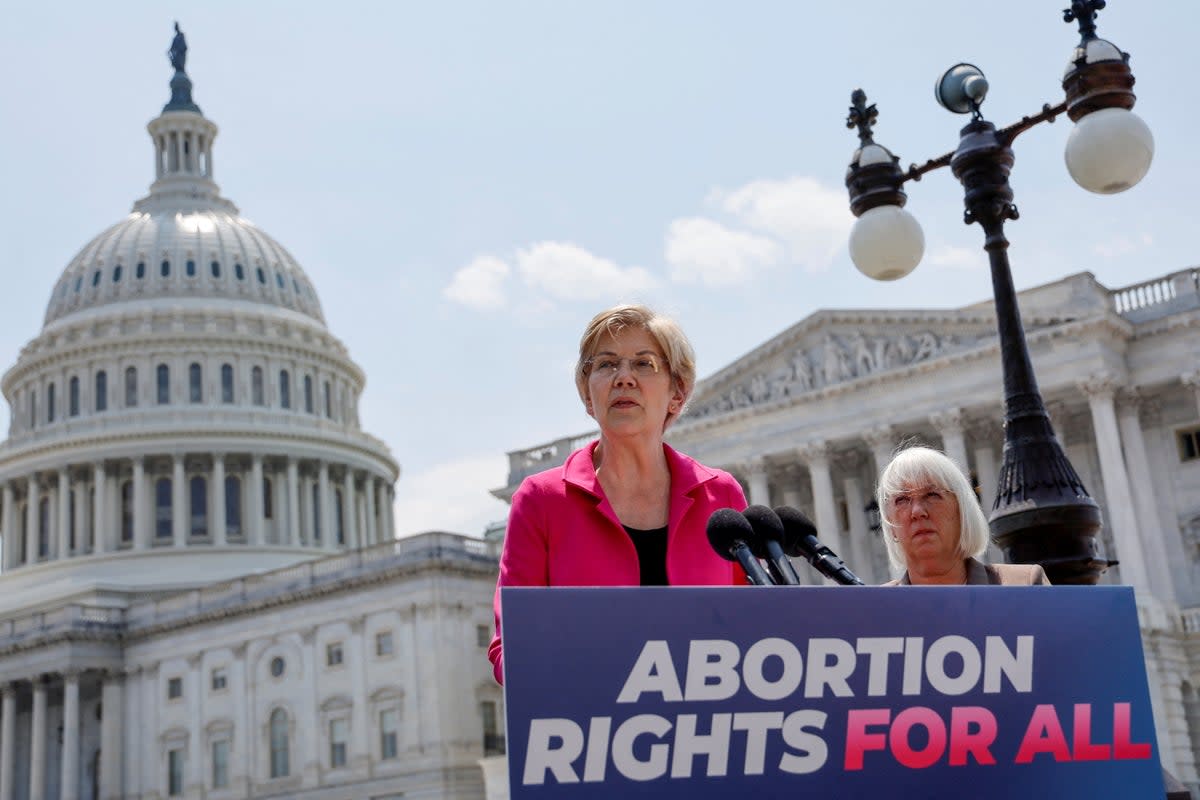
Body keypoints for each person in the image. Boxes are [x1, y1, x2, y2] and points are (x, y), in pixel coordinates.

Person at [488, 304, 748, 684]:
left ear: (677, 393)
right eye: (606, 365)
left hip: (706, 732)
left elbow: (754, 630)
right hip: (588, 729)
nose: (624, 377)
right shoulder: (541, 500)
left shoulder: (719, 495)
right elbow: (507, 651)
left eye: (644, 364)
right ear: (587, 394)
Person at [876, 446, 1051, 586]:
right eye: (902, 500)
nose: (917, 512)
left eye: (932, 495)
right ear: (890, 524)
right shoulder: (875, 609)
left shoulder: (1024, 586)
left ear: (962, 511)